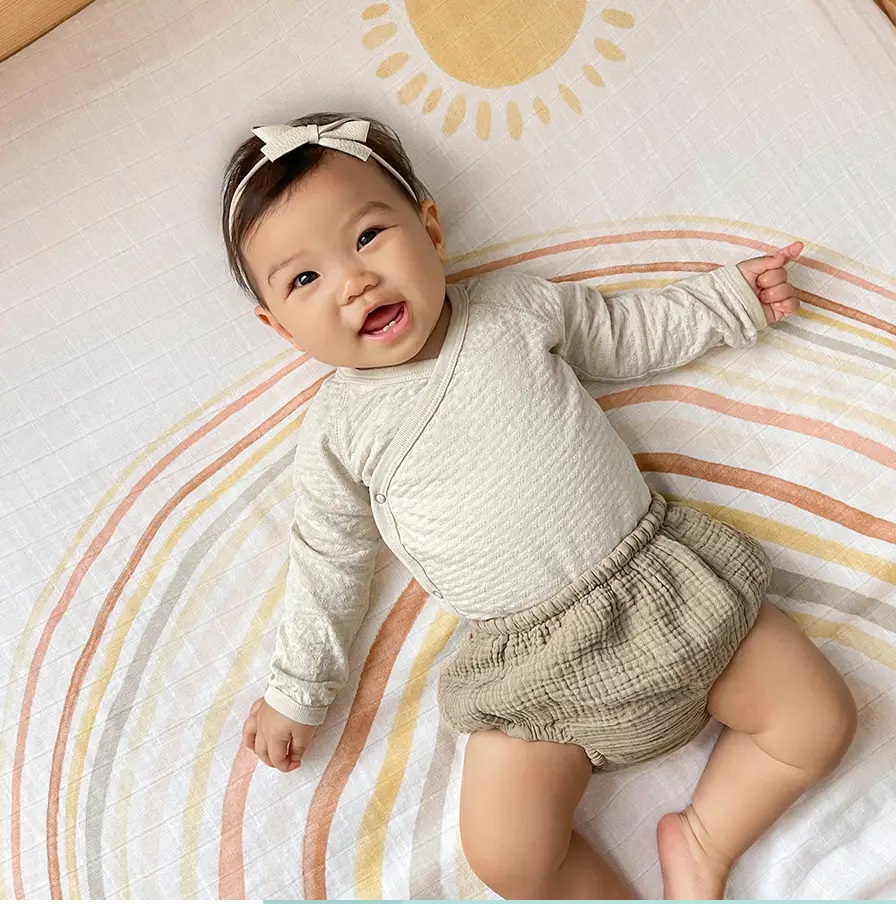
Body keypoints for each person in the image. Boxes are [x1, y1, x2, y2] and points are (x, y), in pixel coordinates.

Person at [221, 112, 857, 899]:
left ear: (430, 228)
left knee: (817, 719)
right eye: (304, 280)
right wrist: (298, 692)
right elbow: (327, 565)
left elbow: (626, 331)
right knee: (507, 856)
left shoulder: (510, 309)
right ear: (279, 326)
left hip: (658, 590)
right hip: (530, 666)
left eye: (368, 237)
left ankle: (703, 839)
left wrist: (729, 301)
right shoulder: (337, 432)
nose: (355, 282)